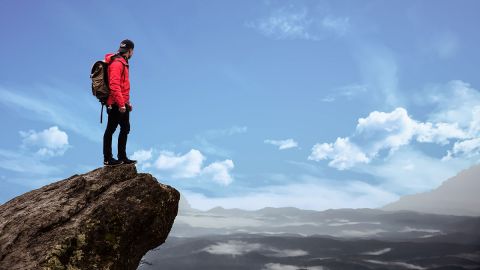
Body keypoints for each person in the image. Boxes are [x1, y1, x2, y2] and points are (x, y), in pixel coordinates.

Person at [103, 39, 137, 166]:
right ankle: (108, 158)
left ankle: (122, 157)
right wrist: (121, 104)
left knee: (125, 128)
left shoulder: (123, 62)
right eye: (133, 51)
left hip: (122, 102)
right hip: (115, 103)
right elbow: (114, 85)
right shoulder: (117, 63)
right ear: (130, 51)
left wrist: (127, 103)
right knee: (110, 130)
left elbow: (123, 86)